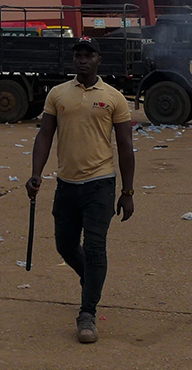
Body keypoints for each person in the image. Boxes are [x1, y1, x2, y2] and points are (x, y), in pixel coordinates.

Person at [27, 37, 136, 345]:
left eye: (88, 55)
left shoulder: (114, 98)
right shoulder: (58, 94)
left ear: (98, 59)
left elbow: (126, 147)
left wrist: (127, 192)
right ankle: (91, 280)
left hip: (101, 183)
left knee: (95, 247)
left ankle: (87, 313)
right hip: (67, 184)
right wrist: (35, 174)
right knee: (64, 245)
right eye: (78, 55)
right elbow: (45, 135)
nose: (83, 60)